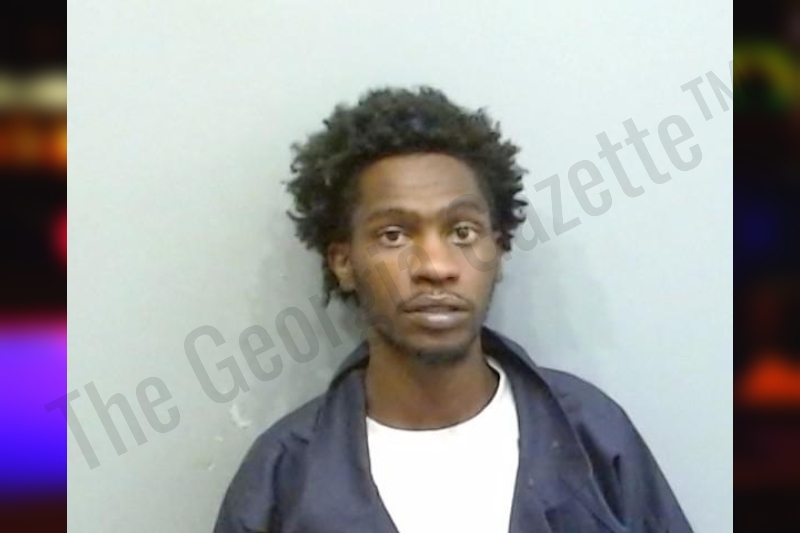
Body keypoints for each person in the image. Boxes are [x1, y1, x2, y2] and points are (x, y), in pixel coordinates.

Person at [213, 87, 693, 533]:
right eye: (393, 235)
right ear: (343, 262)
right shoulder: (282, 477)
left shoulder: (593, 435)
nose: (436, 267)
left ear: (497, 249)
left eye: (462, 232)